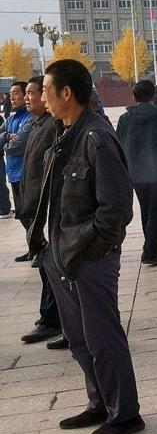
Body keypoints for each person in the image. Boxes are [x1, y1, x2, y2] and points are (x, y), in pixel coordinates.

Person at [27, 59, 143, 434]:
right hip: (62, 254)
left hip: (89, 257)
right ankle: (100, 402)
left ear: (66, 93)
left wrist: (91, 248)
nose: (41, 97)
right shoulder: (65, 133)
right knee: (79, 339)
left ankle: (124, 414)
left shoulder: (96, 137)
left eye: (46, 90)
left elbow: (117, 207)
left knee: (103, 338)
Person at [18, 76, 65, 348]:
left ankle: (51, 320)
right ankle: (56, 319)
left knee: (51, 267)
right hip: (35, 208)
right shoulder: (37, 124)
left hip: (48, 210)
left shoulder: (52, 126)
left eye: (33, 92)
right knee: (47, 268)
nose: (28, 97)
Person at [117, 81, 157, 266]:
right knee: (155, 211)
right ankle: (150, 251)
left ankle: (152, 246)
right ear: (153, 96)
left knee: (146, 210)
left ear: (134, 97)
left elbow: (118, 145)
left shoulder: (125, 119)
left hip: (135, 173)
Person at [1, 82, 30, 232]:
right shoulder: (10, 120)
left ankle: (39, 244)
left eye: (16, 93)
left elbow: (18, 145)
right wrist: (7, 136)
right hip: (13, 175)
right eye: (10, 94)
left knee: (30, 216)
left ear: (26, 95)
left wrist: (5, 145)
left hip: (26, 175)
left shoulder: (30, 118)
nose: (11, 97)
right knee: (22, 216)